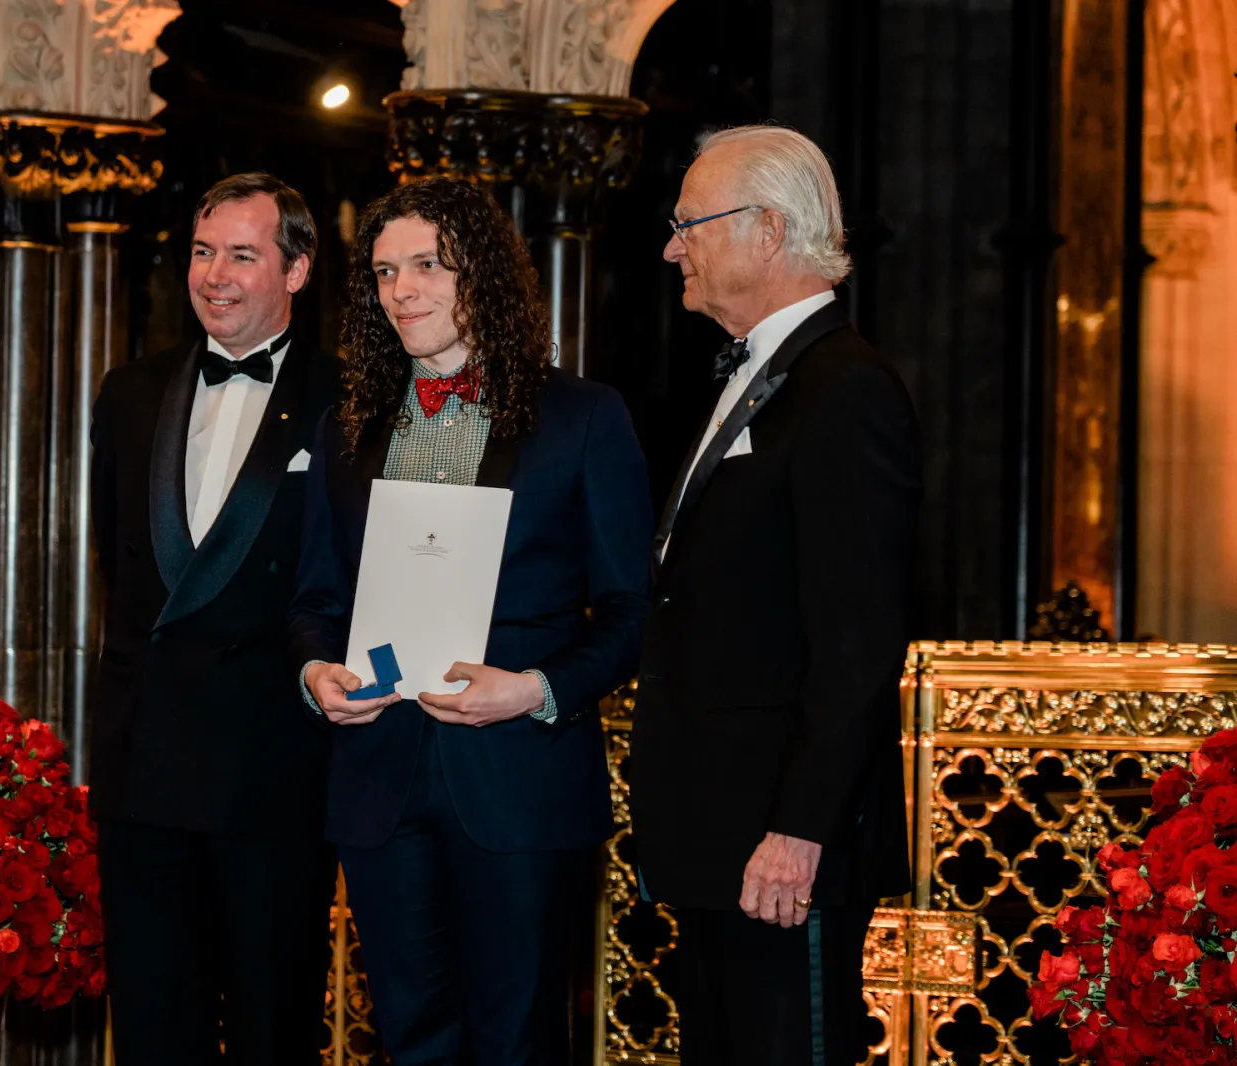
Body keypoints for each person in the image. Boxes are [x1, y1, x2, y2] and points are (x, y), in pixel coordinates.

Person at [289, 176, 651, 1063]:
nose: (401, 290)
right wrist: (315, 672)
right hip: (378, 779)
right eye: (384, 273)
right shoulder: (347, 427)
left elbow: (631, 611)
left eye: (426, 266)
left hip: (520, 781)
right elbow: (315, 600)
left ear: (479, 273)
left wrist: (535, 689)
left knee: (518, 1041)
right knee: (409, 1039)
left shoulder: (582, 417)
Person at [628, 124, 922, 1066]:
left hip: (782, 849)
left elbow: (858, 641)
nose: (671, 248)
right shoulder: (760, 375)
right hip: (718, 830)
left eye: (689, 225)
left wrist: (799, 828)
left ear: (765, 229)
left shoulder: (845, 388)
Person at [88, 172, 340, 1065]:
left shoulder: (348, 397)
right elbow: (120, 565)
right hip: (145, 767)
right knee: (154, 1029)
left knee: (274, 1029)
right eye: (202, 252)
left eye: (241, 254)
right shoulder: (128, 393)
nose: (215, 275)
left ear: (296, 270)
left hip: (272, 771)